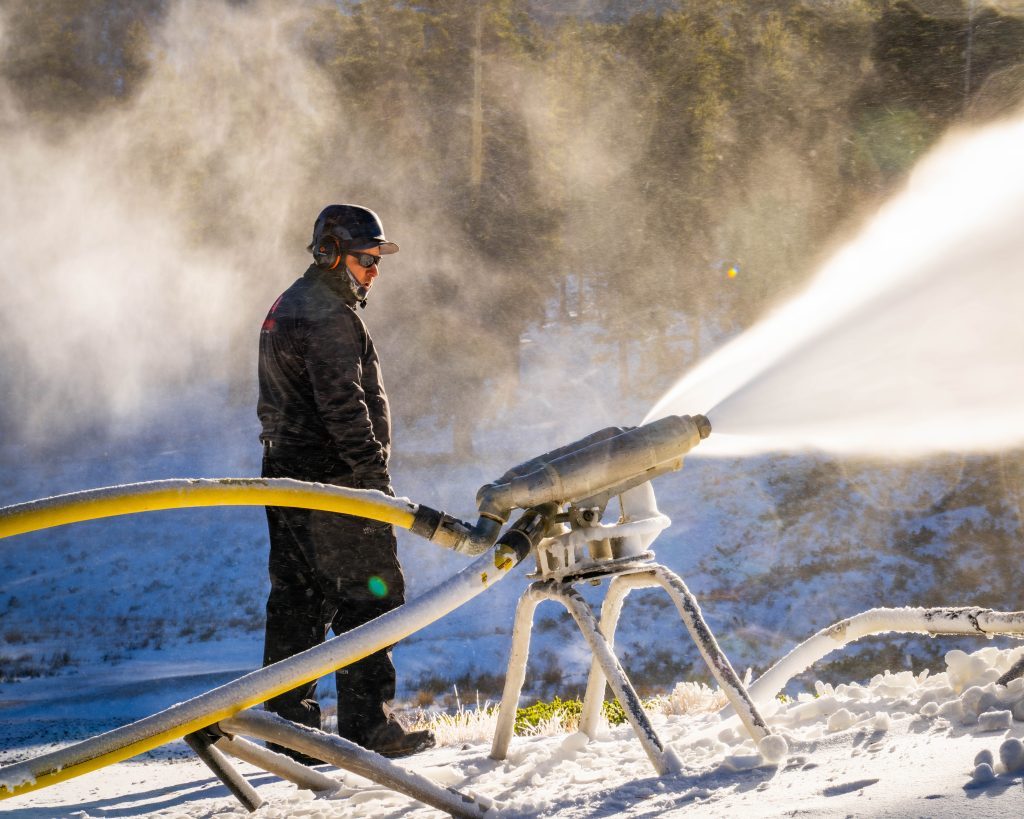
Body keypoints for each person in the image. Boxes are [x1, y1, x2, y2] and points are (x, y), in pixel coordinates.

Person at [257, 204, 434, 759]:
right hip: (336, 481)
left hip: (286, 475)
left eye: (378, 261)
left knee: (299, 600)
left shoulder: (291, 303)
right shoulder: (328, 315)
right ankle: (368, 726)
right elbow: (344, 407)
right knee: (372, 595)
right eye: (365, 260)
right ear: (330, 254)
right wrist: (372, 478)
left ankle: (291, 732)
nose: (374, 272)